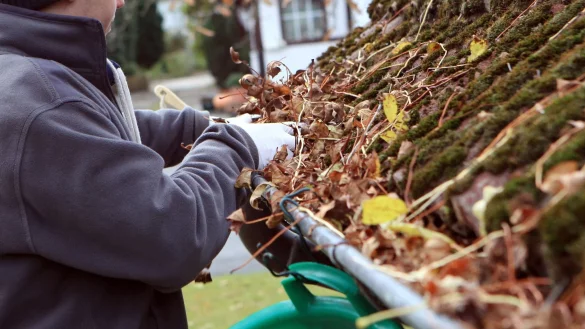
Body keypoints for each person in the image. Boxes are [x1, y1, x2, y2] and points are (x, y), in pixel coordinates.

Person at [0, 0, 296, 328]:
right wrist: (240, 147)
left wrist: (205, 126)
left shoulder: (23, 79)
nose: (122, 1)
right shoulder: (41, 106)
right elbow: (174, 231)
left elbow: (100, 133)